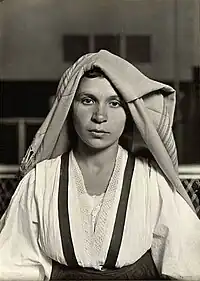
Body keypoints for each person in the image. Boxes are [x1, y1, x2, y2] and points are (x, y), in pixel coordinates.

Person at [0, 50, 200, 280]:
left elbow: (189, 266)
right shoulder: (41, 180)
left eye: (114, 103)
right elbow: (14, 267)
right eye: (87, 100)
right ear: (69, 108)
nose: (100, 116)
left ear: (130, 112)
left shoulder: (151, 181)